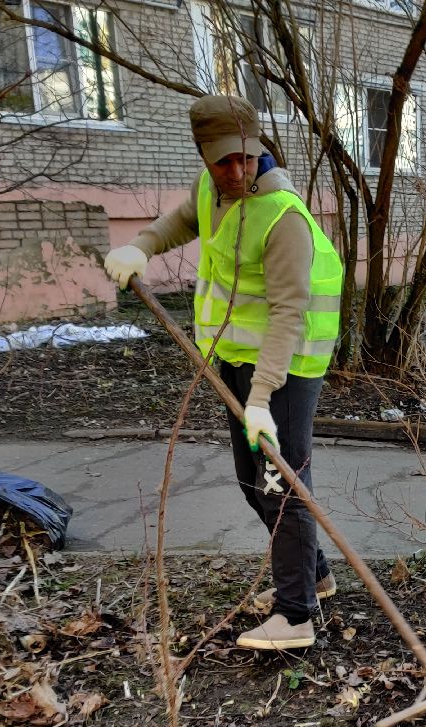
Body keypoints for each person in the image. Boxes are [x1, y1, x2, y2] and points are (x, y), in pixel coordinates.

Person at [104, 95, 344, 651]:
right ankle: (315, 576)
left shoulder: (283, 216)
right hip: (237, 360)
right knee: (250, 479)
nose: (236, 172)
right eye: (222, 162)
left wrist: (261, 397)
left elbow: (288, 312)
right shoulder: (209, 191)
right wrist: (141, 247)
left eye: (245, 158)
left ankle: (296, 614)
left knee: (280, 482)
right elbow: (180, 221)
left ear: (259, 147)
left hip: (286, 368)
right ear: (204, 158)